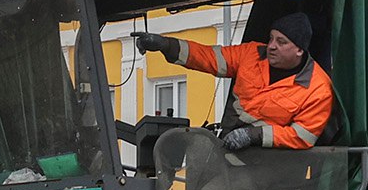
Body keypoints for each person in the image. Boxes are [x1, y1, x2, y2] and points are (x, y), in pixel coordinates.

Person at [133, 12, 334, 151]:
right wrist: (166, 45)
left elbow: (302, 137)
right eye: (271, 38)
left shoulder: (318, 88)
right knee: (196, 156)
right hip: (229, 148)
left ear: (300, 50)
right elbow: (208, 57)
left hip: (272, 162)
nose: (271, 46)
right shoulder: (251, 53)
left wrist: (254, 135)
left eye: (281, 42)